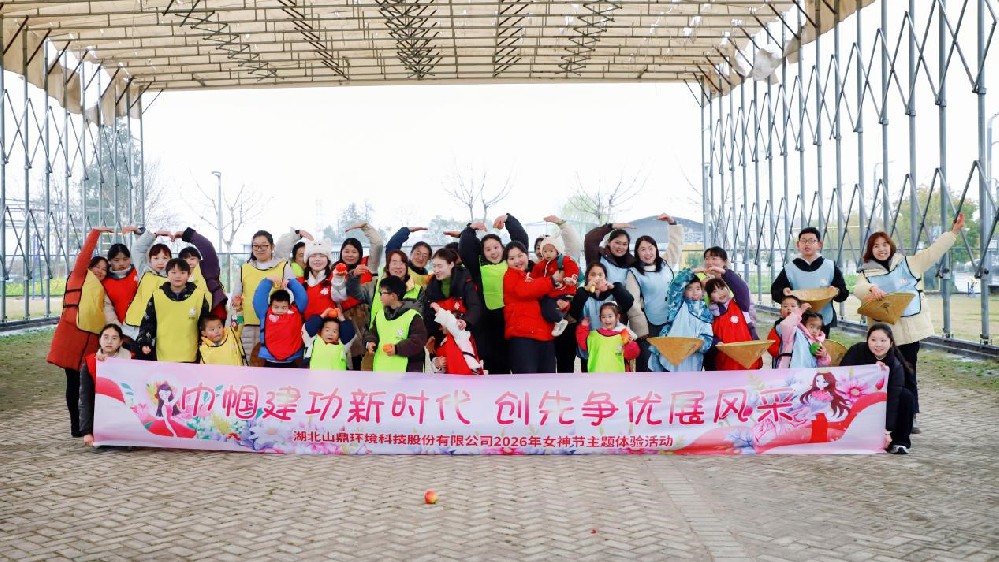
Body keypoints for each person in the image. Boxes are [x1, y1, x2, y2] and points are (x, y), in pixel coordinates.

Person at [854, 212, 965, 432]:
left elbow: (933, 251)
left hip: (910, 333)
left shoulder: (909, 263)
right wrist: (871, 288)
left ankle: (910, 416)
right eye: (876, 246)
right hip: (885, 337)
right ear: (870, 250)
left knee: (908, 374)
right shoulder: (866, 273)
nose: (881, 249)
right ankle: (885, 416)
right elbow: (858, 289)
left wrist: (953, 233)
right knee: (885, 375)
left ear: (891, 246)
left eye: (885, 244)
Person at [47, 226, 113, 438]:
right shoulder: (78, 276)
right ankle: (75, 425)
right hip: (71, 336)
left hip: (91, 339)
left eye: (104, 269)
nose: (100, 271)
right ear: (89, 266)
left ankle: (88, 423)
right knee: (73, 383)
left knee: (89, 384)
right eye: (97, 267)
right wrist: (96, 233)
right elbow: (84, 255)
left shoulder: (102, 289)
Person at [459, 213, 529, 375]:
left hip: (515, 321)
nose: (493, 252)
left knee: (520, 366)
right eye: (488, 249)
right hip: (490, 327)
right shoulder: (478, 267)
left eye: (496, 247)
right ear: (483, 252)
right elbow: (466, 249)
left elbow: (521, 240)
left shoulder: (511, 262)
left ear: (503, 248)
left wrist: (509, 220)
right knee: (497, 368)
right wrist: (469, 229)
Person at [840, 323, 916, 454]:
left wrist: (887, 431)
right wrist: (870, 369)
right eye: (873, 340)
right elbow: (843, 374)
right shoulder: (857, 350)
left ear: (891, 343)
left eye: (883, 340)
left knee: (906, 396)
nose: (878, 344)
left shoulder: (895, 364)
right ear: (867, 340)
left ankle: (900, 442)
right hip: (858, 396)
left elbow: (894, 398)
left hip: (885, 402)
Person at [229, 229, 299, 361]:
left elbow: (294, 294)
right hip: (248, 326)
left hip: (276, 325)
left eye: (264, 245)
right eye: (255, 246)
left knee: (273, 364)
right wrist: (234, 324)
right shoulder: (244, 268)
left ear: (272, 246)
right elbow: (235, 301)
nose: (259, 249)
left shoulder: (283, 266)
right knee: (249, 364)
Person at [627, 219, 685, 371]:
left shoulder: (665, 264)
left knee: (669, 362)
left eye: (650, 248)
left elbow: (676, 245)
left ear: (656, 249)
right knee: (649, 364)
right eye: (643, 249)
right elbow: (633, 303)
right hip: (650, 324)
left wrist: (672, 223)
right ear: (637, 253)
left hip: (671, 321)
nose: (648, 253)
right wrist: (641, 330)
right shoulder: (634, 273)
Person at [769, 227, 849, 336]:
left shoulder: (830, 266)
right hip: (797, 322)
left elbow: (843, 292)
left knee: (819, 346)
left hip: (822, 322)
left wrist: (837, 291)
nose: (807, 244)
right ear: (798, 244)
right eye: (803, 241)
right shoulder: (789, 268)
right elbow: (775, 291)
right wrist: (784, 291)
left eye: (811, 241)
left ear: (819, 244)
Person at [136, 258, 211, 363]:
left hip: (190, 354)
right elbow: (148, 322)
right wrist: (145, 342)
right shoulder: (157, 296)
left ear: (188, 275)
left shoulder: (199, 296)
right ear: (167, 274)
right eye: (173, 272)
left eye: (182, 272)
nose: (178, 276)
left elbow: (205, 324)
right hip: (163, 355)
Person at [334, 223, 384, 369]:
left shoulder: (369, 265)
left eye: (354, 251)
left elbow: (378, 244)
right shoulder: (335, 269)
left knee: (368, 356)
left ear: (360, 253)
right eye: (346, 251)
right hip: (345, 318)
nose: (350, 255)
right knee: (349, 359)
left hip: (366, 317)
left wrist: (365, 226)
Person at [502, 241, 557, 374]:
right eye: (511, 258)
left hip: (544, 335)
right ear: (506, 262)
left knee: (548, 379)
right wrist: (551, 280)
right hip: (522, 336)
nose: (517, 261)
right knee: (526, 380)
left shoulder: (536, 274)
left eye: (520, 255)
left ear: (527, 255)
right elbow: (524, 290)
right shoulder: (509, 276)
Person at [648, 271, 713, 373]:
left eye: (698, 288)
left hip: (692, 358)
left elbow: (707, 335)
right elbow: (676, 285)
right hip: (670, 355)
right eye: (690, 289)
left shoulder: (705, 311)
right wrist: (693, 271)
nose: (695, 292)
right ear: (683, 291)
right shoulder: (677, 305)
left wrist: (697, 345)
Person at [78, 323, 132, 446]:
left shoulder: (131, 359)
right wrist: (87, 432)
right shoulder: (91, 362)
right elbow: (85, 399)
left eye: (114, 338)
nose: (109, 341)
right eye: (106, 337)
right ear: (100, 339)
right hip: (101, 416)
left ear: (120, 342)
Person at [122, 228, 177, 344]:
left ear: (170, 260)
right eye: (156, 258)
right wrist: (155, 234)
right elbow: (137, 250)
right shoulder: (144, 271)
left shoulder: (174, 278)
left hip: (159, 330)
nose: (160, 262)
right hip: (135, 327)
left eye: (165, 258)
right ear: (150, 260)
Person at [423, 248, 483, 354]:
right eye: (434, 266)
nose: (436, 270)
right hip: (442, 337)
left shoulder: (465, 279)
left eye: (440, 266)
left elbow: (474, 306)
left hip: (464, 333)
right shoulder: (431, 286)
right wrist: (431, 335)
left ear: (451, 264)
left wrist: (466, 321)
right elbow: (429, 314)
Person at [365, 275, 428, 372]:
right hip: (381, 369)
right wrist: (370, 341)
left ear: (393, 296)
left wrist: (397, 349)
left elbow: (418, 340)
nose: (380, 296)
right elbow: (373, 332)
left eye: (382, 293)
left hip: (406, 372)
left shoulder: (413, 316)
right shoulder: (380, 315)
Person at [706, 277, 762, 370]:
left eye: (722, 288)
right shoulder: (709, 314)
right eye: (715, 291)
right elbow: (707, 336)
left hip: (747, 359)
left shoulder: (740, 303)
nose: (720, 293)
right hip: (725, 362)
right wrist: (716, 342)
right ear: (710, 296)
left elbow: (742, 289)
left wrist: (725, 273)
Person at [530, 235, 580, 336]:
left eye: (551, 251)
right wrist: (530, 279)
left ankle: (559, 321)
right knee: (546, 309)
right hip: (551, 293)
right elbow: (534, 275)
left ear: (557, 250)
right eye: (545, 251)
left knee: (550, 306)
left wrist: (571, 278)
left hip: (563, 291)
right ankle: (558, 322)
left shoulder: (563, 260)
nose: (548, 254)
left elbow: (573, 268)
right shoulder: (540, 265)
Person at [253, 277, 308, 368]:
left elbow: (302, 297)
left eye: (284, 307)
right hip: (269, 360)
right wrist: (268, 281)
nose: (280, 310)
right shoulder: (265, 313)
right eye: (276, 307)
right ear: (271, 305)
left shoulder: (296, 312)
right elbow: (259, 298)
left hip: (292, 360)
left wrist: (291, 283)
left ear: (289, 306)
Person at [176, 227, 228, 321]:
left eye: (192, 259)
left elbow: (208, 248)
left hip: (214, 313)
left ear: (199, 260)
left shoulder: (207, 268)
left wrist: (190, 235)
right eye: (185, 260)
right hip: (193, 316)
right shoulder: (178, 277)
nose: (189, 262)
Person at [569, 262, 635, 335]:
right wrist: (585, 290)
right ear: (587, 278)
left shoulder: (612, 295)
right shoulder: (583, 295)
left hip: (611, 337)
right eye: (593, 275)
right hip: (588, 338)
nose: (597, 278)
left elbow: (628, 303)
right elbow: (574, 313)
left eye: (600, 275)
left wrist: (614, 288)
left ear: (605, 278)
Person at [575, 302, 640, 373]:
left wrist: (630, 343)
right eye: (603, 317)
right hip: (596, 375)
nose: (607, 320)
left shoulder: (623, 336)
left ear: (617, 317)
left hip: (618, 376)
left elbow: (632, 355)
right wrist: (583, 328)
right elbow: (583, 344)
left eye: (610, 316)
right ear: (600, 318)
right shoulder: (593, 335)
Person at [429, 302, 484, 375]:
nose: (440, 327)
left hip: (468, 374)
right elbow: (444, 368)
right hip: (454, 377)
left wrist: (439, 310)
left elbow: (451, 322)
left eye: (442, 324)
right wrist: (436, 363)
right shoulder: (444, 342)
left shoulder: (462, 334)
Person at [774, 304, 831, 369]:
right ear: (803, 324)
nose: (815, 331)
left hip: (807, 373)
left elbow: (820, 366)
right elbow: (785, 325)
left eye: (818, 328)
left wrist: (824, 356)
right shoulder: (795, 333)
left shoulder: (818, 342)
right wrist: (800, 311)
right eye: (812, 327)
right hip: (790, 372)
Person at [102, 241, 137, 324]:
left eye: (125, 259)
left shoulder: (138, 272)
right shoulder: (105, 282)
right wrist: (117, 328)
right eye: (116, 260)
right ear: (109, 261)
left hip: (144, 324)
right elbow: (107, 309)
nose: (121, 263)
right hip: (121, 326)